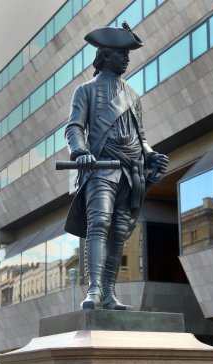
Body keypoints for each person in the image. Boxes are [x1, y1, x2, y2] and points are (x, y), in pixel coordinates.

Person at [64, 22, 169, 310]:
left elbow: (141, 136)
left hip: (132, 170)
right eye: (121, 54)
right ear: (105, 56)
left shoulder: (133, 95)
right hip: (101, 166)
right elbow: (74, 128)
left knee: (120, 232)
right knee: (99, 223)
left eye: (127, 55)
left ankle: (109, 293)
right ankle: (94, 290)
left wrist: (150, 155)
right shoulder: (84, 91)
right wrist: (80, 152)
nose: (126, 59)